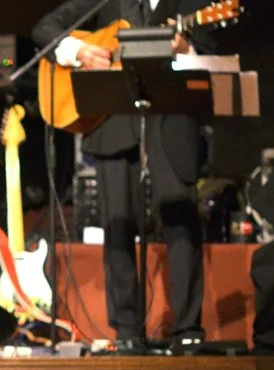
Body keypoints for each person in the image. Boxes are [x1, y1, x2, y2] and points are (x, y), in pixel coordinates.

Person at [34, 0, 212, 350]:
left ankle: (188, 330)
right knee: (117, 225)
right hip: (113, 120)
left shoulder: (190, 4)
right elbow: (44, 29)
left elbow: (211, 64)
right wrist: (79, 52)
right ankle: (128, 331)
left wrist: (187, 51)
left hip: (172, 122)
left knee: (181, 220)